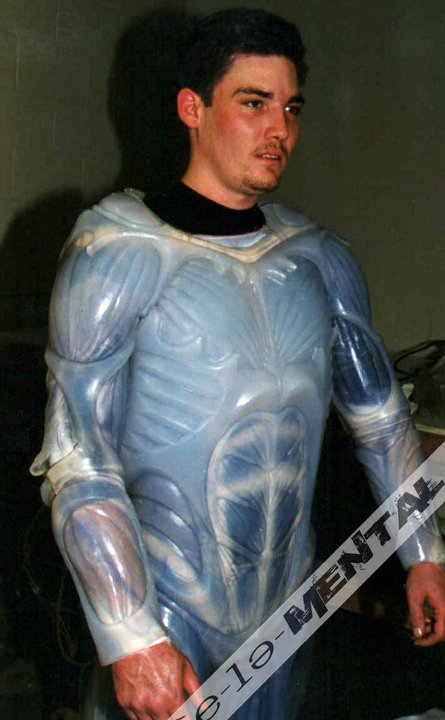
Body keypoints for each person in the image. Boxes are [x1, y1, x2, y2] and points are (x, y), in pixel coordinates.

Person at [31, 8, 445, 720]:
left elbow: (380, 421)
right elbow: (79, 461)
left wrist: (423, 552)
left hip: (287, 617)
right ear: (192, 108)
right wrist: (130, 637)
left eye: (291, 108)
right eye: (253, 103)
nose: (279, 129)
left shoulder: (318, 259)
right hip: (167, 621)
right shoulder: (116, 253)